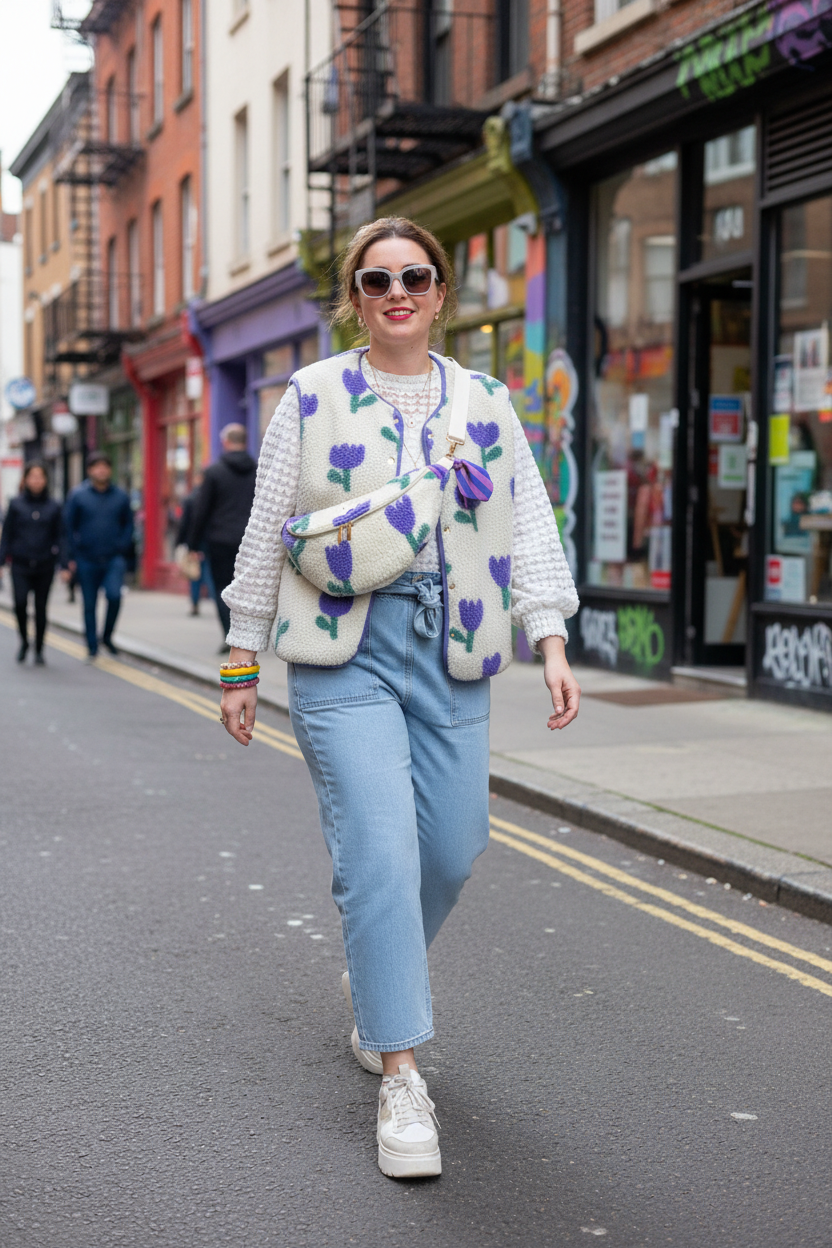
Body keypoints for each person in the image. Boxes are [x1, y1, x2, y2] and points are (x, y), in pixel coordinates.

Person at [218, 217, 581, 1180]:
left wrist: (549, 637)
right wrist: (242, 657)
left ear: (440, 291)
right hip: (344, 649)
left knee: (454, 849)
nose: (397, 295)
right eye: (376, 281)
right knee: (379, 852)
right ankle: (401, 1075)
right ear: (354, 297)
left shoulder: (488, 400)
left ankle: (379, 974)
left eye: (414, 277)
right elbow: (266, 527)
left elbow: (530, 524)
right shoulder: (311, 395)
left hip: (455, 643)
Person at [187, 424, 257, 651]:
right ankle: (249, 637)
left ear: (225, 442)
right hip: (252, 540)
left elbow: (201, 511)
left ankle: (230, 636)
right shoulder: (258, 470)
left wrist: (193, 544)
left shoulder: (214, 472)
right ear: (245, 441)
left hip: (220, 541)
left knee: (222, 588)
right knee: (249, 589)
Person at [63, 451, 134, 659]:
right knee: (89, 604)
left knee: (114, 596)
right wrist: (72, 555)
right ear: (90, 470)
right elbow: (68, 527)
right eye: (97, 466)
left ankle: (107, 637)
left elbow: (129, 524)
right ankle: (92, 646)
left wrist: (122, 545)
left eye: (105, 466)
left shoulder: (120, 496)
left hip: (113, 558)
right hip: (86, 558)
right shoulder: (78, 495)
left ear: (110, 470)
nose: (101, 470)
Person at [0, 461, 62, 665]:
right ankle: (25, 641)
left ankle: (39, 649)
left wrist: (63, 563)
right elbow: (7, 535)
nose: (36, 481)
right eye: (32, 477)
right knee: (19, 603)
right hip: (20, 564)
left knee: (41, 608)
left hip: (45, 564)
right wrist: (1, 561)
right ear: (25, 480)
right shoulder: (16, 504)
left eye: (40, 477)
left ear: (45, 480)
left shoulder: (54, 506)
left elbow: (60, 536)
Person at [176, 472, 216, 617]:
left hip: (195, 542)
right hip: (211, 542)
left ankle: (194, 602)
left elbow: (185, 524)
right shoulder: (214, 499)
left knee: (195, 574)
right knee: (209, 573)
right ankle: (216, 601)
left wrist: (183, 542)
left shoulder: (190, 499)